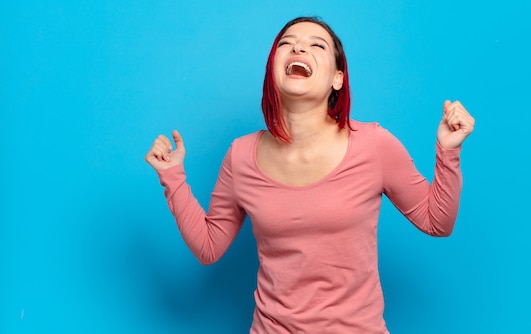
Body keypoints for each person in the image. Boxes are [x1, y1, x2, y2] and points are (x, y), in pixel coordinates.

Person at [145, 16, 475, 334]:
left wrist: (448, 151)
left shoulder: (374, 145)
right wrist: (172, 176)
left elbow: (437, 222)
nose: (298, 49)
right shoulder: (241, 155)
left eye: (315, 45)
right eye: (286, 44)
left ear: (338, 79)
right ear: (273, 69)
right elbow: (208, 247)